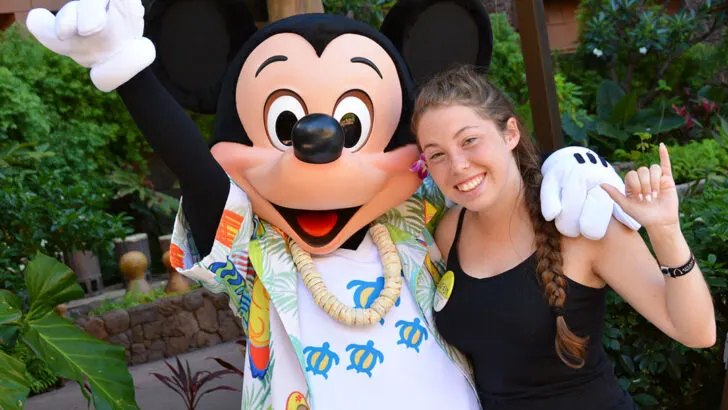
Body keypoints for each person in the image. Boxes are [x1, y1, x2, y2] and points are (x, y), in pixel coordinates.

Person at [411, 64, 716, 410]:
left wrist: (666, 232)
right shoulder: (451, 229)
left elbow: (697, 332)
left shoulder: (580, 221)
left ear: (509, 133)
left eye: (469, 141)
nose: (458, 165)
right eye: (437, 154)